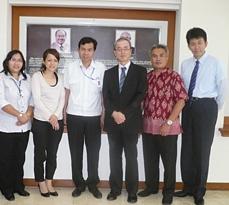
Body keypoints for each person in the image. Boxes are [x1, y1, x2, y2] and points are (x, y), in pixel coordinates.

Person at [174, 27, 228, 205]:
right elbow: (182, 88)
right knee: (187, 148)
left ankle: (199, 191)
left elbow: (222, 89)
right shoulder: (185, 64)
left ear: (206, 43)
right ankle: (187, 187)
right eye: (192, 43)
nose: (196, 47)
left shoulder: (216, 63)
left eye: (199, 43)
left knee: (202, 150)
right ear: (188, 46)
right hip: (188, 106)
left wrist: (212, 107)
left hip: (206, 107)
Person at [138, 44, 188, 205]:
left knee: (169, 163)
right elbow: (141, 101)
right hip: (148, 126)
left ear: (167, 58)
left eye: (161, 55)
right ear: (150, 58)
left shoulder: (175, 77)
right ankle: (151, 187)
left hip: (168, 129)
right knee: (150, 161)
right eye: (154, 55)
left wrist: (168, 122)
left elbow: (181, 101)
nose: (158, 58)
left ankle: (168, 192)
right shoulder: (147, 77)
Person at [102, 37, 147, 203]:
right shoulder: (108, 73)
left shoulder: (140, 72)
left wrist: (124, 114)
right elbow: (105, 97)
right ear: (114, 52)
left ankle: (132, 191)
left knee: (131, 158)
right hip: (113, 122)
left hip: (131, 122)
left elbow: (140, 95)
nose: (122, 51)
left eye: (125, 48)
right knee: (114, 157)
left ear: (131, 51)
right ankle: (114, 190)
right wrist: (114, 113)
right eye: (119, 49)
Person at [63, 37, 106, 199]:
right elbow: (66, 92)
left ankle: (93, 183)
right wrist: (64, 112)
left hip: (94, 116)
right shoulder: (70, 67)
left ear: (94, 51)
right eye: (83, 49)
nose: (85, 53)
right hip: (74, 116)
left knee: (93, 152)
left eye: (89, 49)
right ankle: (79, 184)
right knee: (76, 152)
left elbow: (103, 94)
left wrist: (103, 113)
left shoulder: (101, 68)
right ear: (78, 49)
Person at [0, 50, 34, 201]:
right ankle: (6, 189)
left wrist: (27, 115)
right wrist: (20, 115)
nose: (16, 63)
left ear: (23, 63)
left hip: (23, 127)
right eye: (13, 60)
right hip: (3, 126)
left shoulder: (27, 79)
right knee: (4, 159)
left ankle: (18, 186)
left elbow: (32, 101)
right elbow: (0, 102)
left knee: (19, 158)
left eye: (19, 60)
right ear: (7, 61)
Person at [31, 48, 65, 197]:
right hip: (40, 121)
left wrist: (56, 116)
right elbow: (37, 100)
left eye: (55, 60)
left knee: (52, 154)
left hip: (56, 121)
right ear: (44, 61)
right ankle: (41, 182)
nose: (52, 63)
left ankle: (49, 181)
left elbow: (62, 99)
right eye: (49, 60)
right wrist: (51, 117)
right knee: (40, 154)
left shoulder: (61, 77)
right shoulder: (37, 77)